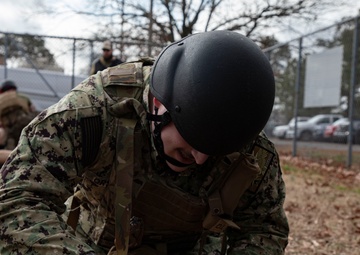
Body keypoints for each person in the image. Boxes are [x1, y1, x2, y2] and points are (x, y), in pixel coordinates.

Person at [0, 30, 289, 254]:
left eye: (215, 151)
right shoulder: (93, 111)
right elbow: (14, 199)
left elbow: (264, 227)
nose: (200, 159)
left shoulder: (251, 150)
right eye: (192, 140)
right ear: (158, 104)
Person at [0, 79, 38, 151]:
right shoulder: (23, 97)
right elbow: (33, 109)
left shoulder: (1, 98)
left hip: (8, 127)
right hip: (25, 123)